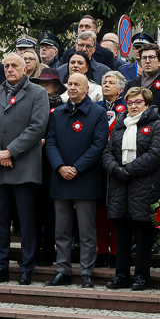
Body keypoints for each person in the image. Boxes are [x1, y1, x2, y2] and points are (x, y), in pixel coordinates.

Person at [0, 52, 49, 285]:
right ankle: (1, 266)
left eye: (14, 66)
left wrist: (10, 151)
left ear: (25, 70)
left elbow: (37, 127)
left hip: (25, 168)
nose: (9, 69)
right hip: (0, 169)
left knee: (27, 222)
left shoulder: (38, 93)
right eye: (7, 65)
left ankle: (26, 268)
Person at [44, 73, 109, 288]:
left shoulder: (98, 113)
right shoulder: (57, 113)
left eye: (76, 84)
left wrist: (77, 168)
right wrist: (60, 167)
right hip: (61, 177)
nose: (72, 87)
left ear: (86, 89)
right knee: (61, 229)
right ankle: (63, 270)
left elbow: (99, 145)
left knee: (86, 230)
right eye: (69, 84)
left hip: (85, 178)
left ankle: (86, 272)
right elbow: (50, 143)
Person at [102, 86, 160, 290]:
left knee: (142, 235)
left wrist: (128, 170)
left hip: (144, 186)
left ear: (147, 104)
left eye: (138, 102)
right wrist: (114, 167)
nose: (133, 106)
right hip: (119, 186)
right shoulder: (120, 125)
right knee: (121, 233)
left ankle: (141, 276)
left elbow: (156, 155)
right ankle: (120, 274)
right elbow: (107, 151)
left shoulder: (157, 125)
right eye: (129, 103)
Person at [30, 68, 66, 266]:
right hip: (32, 163)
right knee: (33, 211)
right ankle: (33, 252)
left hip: (53, 166)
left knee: (51, 213)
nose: (43, 87)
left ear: (58, 87)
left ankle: (48, 252)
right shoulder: (32, 106)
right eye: (40, 83)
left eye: (48, 83)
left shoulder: (62, 109)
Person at [124, 44, 160, 134]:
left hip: (159, 136)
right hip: (134, 135)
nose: (147, 61)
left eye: (151, 57)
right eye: (144, 58)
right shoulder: (132, 84)